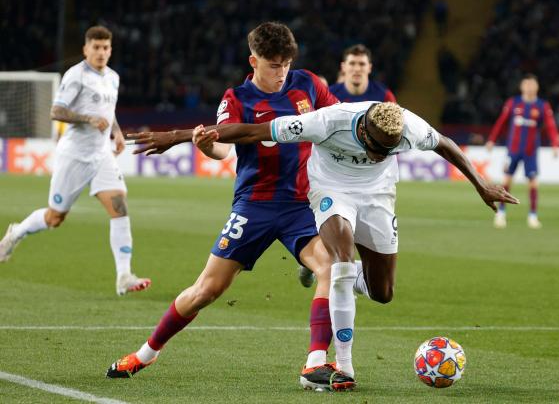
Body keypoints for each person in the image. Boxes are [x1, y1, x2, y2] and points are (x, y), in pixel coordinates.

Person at [125, 100, 518, 383]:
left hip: (379, 196)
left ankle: (338, 276)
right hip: (331, 192)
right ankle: (342, 367)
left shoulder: (408, 126)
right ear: (362, 130)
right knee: (342, 260)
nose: (381, 153)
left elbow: (447, 143)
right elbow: (253, 131)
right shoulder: (327, 121)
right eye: (375, 147)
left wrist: (481, 185)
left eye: (388, 150)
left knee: (383, 293)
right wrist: (179, 136)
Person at [106, 22, 356, 391]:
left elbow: (338, 120)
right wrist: (203, 144)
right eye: (273, 65)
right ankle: (147, 353)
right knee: (206, 290)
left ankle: (315, 362)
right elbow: (221, 148)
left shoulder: (308, 84)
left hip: (302, 206)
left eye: (286, 63)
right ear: (252, 61)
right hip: (253, 206)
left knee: (331, 267)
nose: (281, 72)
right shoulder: (236, 98)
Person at [0, 25, 150, 296]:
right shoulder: (76, 76)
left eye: (105, 47)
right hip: (74, 156)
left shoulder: (113, 77)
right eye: (96, 47)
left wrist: (115, 132)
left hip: (101, 154)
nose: (101, 52)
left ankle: (124, 275)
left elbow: (108, 109)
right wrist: (88, 118)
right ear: (86, 49)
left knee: (119, 207)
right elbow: (55, 111)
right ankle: (16, 232)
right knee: (55, 217)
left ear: (110, 49)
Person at [485, 74, 559, 229]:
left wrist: (555, 144)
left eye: (532, 85)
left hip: (530, 151)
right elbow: (501, 122)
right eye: (527, 85)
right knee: (506, 182)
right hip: (513, 150)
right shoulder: (513, 103)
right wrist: (492, 139)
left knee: (533, 183)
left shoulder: (542, 106)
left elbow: (551, 126)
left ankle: (532, 216)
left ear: (537, 87)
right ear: (522, 87)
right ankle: (501, 214)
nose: (530, 88)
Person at [329, 44, 397, 103]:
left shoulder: (385, 97)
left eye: (362, 64)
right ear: (343, 67)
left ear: (369, 68)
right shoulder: (329, 95)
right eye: (352, 63)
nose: (357, 69)